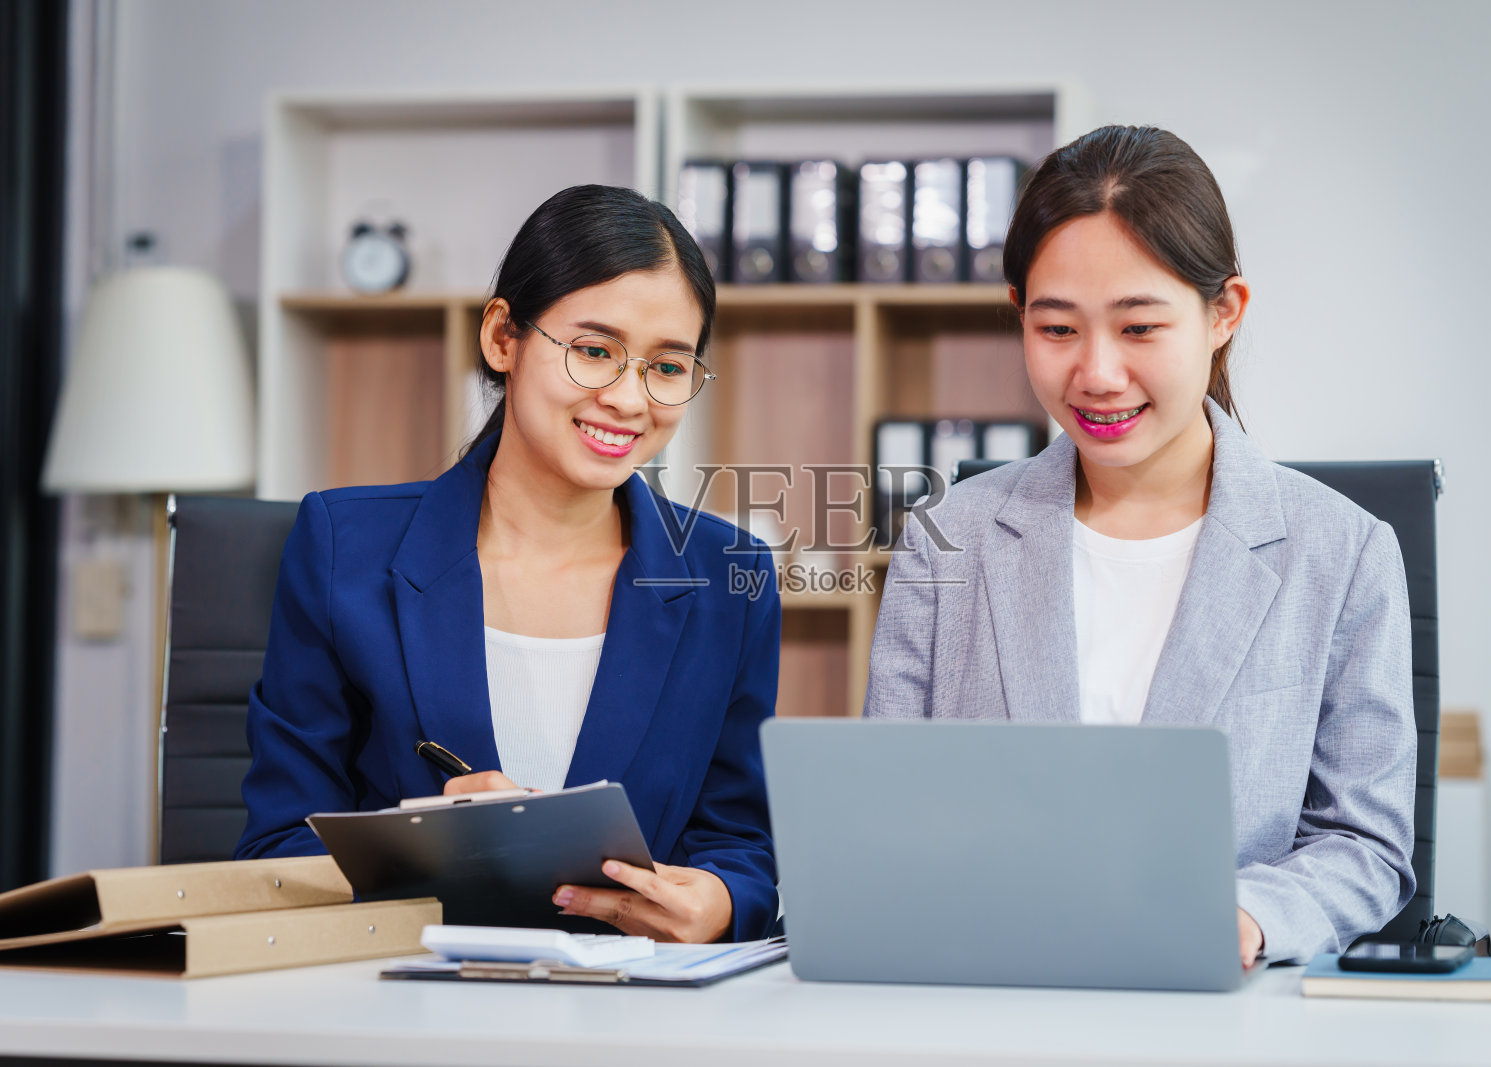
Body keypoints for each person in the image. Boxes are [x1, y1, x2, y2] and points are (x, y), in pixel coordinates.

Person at [864, 126, 1416, 967]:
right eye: (1056, 330)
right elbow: (888, 813)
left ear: (1223, 313)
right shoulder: (949, 539)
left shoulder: (1340, 553)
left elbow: (1365, 843)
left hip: (1219, 1004)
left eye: (1139, 328)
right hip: (987, 988)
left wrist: (1244, 916)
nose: (1096, 373)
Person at [236, 185, 780, 944]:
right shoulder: (342, 546)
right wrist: (422, 849)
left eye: (667, 366)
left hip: (634, 1018)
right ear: (503, 337)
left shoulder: (730, 575)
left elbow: (743, 844)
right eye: (594, 351)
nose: (629, 399)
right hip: (406, 1007)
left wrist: (721, 900)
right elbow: (274, 848)